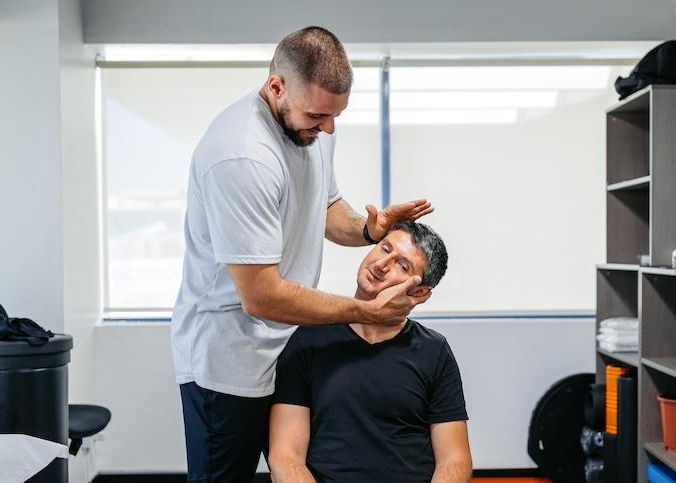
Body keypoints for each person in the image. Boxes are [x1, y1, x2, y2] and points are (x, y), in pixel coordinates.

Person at [171, 27, 434, 482]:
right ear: (276, 87)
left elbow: (325, 204)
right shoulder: (241, 156)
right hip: (228, 360)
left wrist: (369, 230)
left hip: (286, 345)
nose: (328, 128)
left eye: (336, 116)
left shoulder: (314, 126)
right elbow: (262, 297)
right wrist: (366, 308)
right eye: (317, 116)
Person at [269, 222, 472, 483]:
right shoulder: (308, 340)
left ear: (419, 292)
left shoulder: (434, 351)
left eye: (402, 265)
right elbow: (285, 457)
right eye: (384, 248)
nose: (381, 264)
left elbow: (455, 461)